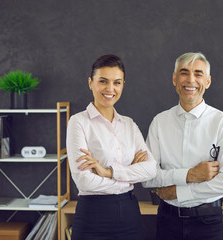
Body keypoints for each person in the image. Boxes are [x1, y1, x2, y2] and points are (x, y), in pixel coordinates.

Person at [143, 52, 223, 240]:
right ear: (174, 78)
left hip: (209, 222)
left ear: (208, 81)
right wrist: (190, 175)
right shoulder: (159, 122)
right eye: (184, 73)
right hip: (167, 220)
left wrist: (177, 191)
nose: (191, 80)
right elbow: (148, 178)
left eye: (198, 74)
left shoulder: (222, 122)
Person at [66, 54, 157, 240]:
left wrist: (107, 172)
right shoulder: (78, 122)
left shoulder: (129, 125)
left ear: (123, 84)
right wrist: (130, 175)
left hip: (130, 215)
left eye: (117, 82)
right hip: (93, 216)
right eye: (103, 81)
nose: (110, 89)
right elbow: (84, 181)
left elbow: (150, 169)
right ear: (90, 83)